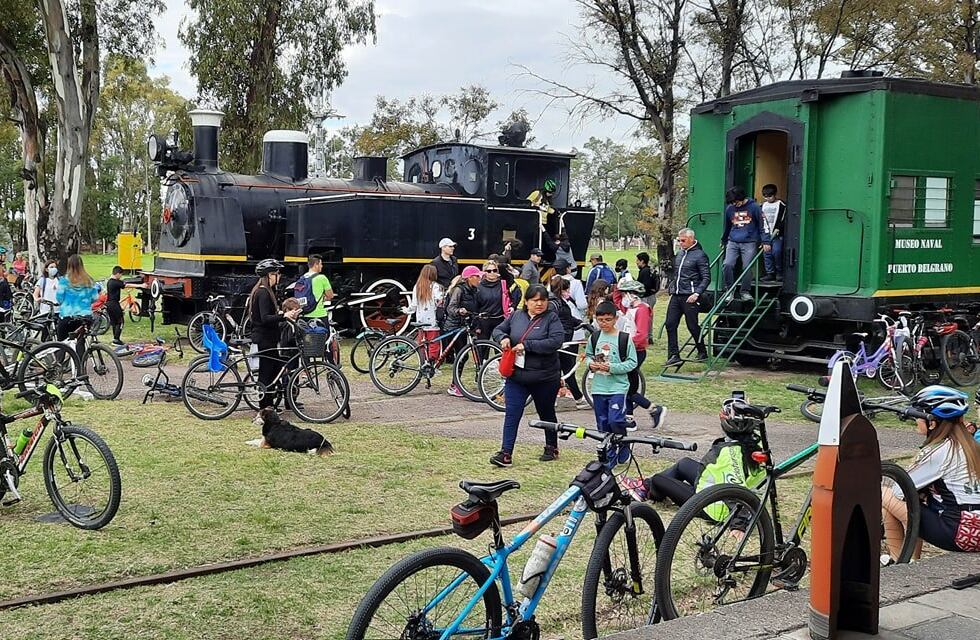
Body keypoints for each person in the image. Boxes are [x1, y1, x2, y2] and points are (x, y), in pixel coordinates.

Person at [882, 386, 980, 559]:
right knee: (901, 504)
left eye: (917, 416)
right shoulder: (970, 445)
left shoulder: (940, 451)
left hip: (963, 533)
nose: (915, 420)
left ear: (932, 422)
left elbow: (900, 490)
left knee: (885, 494)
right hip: (973, 528)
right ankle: (903, 562)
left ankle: (904, 563)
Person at [490, 284, 566, 467]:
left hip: (545, 377)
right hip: (517, 377)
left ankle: (551, 446)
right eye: (535, 300)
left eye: (543, 300)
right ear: (527, 301)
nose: (539, 304)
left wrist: (528, 345)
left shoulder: (551, 318)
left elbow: (556, 341)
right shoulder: (516, 316)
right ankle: (506, 453)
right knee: (512, 414)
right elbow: (497, 330)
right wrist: (503, 338)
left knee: (546, 412)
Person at [643, 398, 764, 511]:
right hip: (712, 489)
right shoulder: (756, 445)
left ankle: (648, 493)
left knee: (659, 479)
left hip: (711, 506)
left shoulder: (728, 454)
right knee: (684, 463)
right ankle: (646, 485)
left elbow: (735, 489)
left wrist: (739, 524)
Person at [250, 259, 302, 414]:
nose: (278, 277)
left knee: (274, 370)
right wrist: (284, 316)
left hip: (269, 337)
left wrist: (280, 314)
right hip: (265, 338)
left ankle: (270, 405)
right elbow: (265, 318)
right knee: (266, 373)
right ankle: (264, 408)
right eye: (276, 274)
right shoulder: (263, 292)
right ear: (269, 276)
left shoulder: (264, 291)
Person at [615, 279, 661, 426]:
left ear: (632, 295)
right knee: (628, 385)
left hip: (636, 351)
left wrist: (624, 343)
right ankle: (629, 419)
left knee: (628, 388)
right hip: (629, 350)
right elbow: (617, 302)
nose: (622, 297)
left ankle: (653, 408)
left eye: (624, 294)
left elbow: (641, 335)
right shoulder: (631, 308)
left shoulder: (642, 310)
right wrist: (618, 286)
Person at [665, 228, 710, 366]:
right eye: (679, 240)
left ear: (691, 239)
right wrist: (672, 286)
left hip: (690, 296)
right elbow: (676, 274)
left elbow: (706, 277)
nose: (680, 243)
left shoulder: (700, 255)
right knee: (670, 323)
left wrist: (696, 293)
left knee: (692, 325)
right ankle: (674, 355)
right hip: (677, 294)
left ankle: (702, 351)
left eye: (683, 240)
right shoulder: (679, 254)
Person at [721, 186, 768, 301]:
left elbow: (763, 225)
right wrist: (724, 240)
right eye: (732, 203)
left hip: (749, 242)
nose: (734, 205)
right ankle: (729, 290)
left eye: (736, 202)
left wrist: (766, 241)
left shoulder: (754, 208)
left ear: (741, 198)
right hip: (733, 241)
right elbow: (727, 226)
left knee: (747, 267)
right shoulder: (729, 209)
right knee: (727, 264)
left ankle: (745, 291)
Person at [548, 275, 588, 409]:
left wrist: (580, 323)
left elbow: (567, 318)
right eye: (567, 290)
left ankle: (576, 398)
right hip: (562, 340)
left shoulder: (557, 302)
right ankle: (578, 398)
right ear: (562, 290)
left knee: (563, 369)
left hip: (562, 338)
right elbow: (561, 321)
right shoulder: (556, 304)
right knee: (566, 368)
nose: (569, 293)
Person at [444, 266, 482, 397]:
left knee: (463, 355)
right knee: (462, 356)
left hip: (465, 326)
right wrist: (459, 311)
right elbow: (451, 308)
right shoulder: (458, 290)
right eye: (477, 276)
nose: (479, 278)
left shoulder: (474, 290)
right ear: (469, 278)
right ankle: (454, 385)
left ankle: (455, 384)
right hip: (454, 326)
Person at [404, 264, 444, 362]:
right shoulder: (436, 286)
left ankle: (423, 360)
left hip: (421, 319)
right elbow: (440, 301)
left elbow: (413, 305)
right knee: (433, 342)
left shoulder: (417, 286)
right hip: (433, 319)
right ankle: (432, 362)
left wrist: (406, 310)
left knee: (422, 342)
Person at [54, 255, 100, 340]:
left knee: (62, 344)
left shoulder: (64, 281)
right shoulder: (89, 280)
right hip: (85, 316)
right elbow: (95, 297)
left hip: (67, 315)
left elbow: (59, 298)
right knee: (80, 342)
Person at [474, 260, 519, 340]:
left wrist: (512, 306)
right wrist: (477, 325)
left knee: (500, 346)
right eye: (489, 271)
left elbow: (516, 294)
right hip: (484, 321)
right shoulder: (478, 287)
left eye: (494, 270)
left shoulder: (504, 284)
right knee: (482, 348)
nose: (492, 273)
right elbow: (475, 306)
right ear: (484, 272)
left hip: (500, 320)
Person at [105, 266, 146, 345]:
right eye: (120, 275)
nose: (121, 276)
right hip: (114, 304)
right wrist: (141, 285)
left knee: (114, 322)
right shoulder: (115, 282)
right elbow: (126, 285)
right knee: (120, 321)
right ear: (117, 274)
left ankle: (115, 338)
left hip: (109, 304)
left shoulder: (110, 282)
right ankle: (116, 339)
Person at [759, 183, 786, 282]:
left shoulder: (782, 205)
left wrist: (779, 228)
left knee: (777, 252)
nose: (768, 198)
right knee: (767, 253)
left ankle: (779, 272)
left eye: (770, 196)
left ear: (775, 194)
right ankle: (770, 273)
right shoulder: (762, 206)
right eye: (765, 196)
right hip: (766, 234)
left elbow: (784, 218)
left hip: (777, 234)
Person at [296, 254, 334, 323]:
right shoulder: (322, 278)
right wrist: (323, 297)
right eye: (321, 264)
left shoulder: (302, 278)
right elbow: (330, 296)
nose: (322, 266)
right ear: (316, 264)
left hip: (304, 316)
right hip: (319, 316)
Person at [636, 251, 659, 344]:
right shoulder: (648, 270)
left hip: (646, 297)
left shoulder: (644, 271)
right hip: (651, 296)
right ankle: (648, 336)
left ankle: (647, 337)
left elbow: (645, 285)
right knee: (648, 317)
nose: (636, 262)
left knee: (646, 318)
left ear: (642, 261)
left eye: (637, 260)